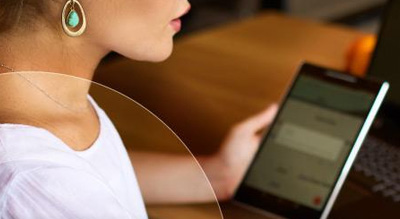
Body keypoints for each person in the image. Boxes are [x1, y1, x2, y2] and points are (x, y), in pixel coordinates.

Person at [0, 0, 278, 218]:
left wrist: (215, 176)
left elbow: (85, 175)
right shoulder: (37, 182)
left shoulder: (39, 96)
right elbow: (45, 185)